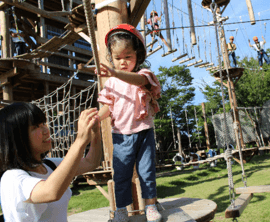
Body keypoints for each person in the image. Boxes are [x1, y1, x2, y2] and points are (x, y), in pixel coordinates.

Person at [96, 24, 162, 222]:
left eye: (128, 57)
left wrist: (115, 73)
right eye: (117, 58)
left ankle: (150, 205)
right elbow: (109, 107)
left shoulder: (144, 75)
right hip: (121, 135)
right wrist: (96, 118)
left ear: (138, 55)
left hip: (143, 131)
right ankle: (121, 210)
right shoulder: (111, 83)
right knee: (121, 175)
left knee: (146, 171)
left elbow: (140, 82)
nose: (123, 62)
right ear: (111, 58)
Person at [0, 102, 102, 221]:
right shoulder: (12, 178)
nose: (45, 130)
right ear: (17, 138)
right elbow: (51, 192)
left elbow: (91, 162)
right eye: (35, 127)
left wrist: (95, 132)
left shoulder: (49, 165)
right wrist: (80, 140)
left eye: (43, 123)